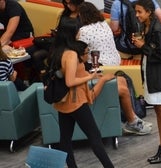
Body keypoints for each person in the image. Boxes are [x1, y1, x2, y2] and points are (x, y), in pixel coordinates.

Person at [77, 1, 152, 135]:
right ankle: (132, 120)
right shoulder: (104, 24)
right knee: (123, 84)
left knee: (121, 86)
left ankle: (132, 120)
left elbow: (79, 51)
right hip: (115, 63)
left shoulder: (83, 31)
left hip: (101, 67)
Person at [50, 20, 114, 168]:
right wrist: (90, 77)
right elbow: (70, 81)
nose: (80, 33)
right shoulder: (71, 54)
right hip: (75, 100)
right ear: (72, 33)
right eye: (78, 31)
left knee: (65, 140)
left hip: (63, 102)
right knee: (95, 137)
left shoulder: (57, 51)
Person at [132, 0, 161, 164]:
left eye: (139, 12)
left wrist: (143, 45)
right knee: (159, 111)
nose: (137, 15)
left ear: (149, 12)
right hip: (152, 73)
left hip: (159, 76)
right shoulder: (147, 26)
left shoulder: (157, 30)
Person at [77, 2, 120, 66]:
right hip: (116, 61)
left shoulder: (84, 30)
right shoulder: (103, 23)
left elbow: (78, 49)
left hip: (99, 64)